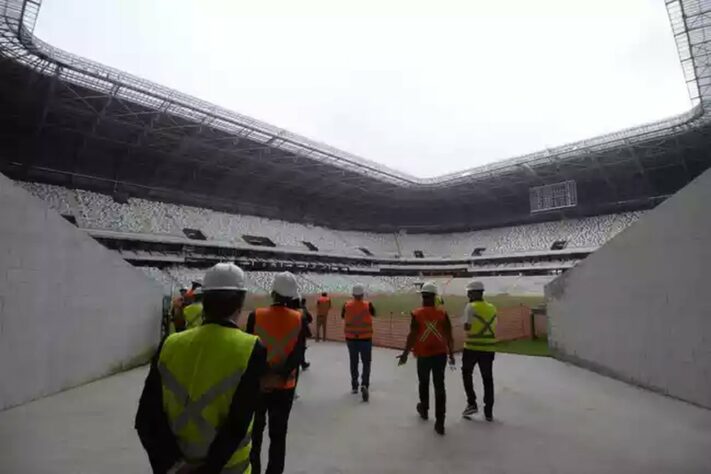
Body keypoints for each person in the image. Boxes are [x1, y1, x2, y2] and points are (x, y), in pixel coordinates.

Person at [135, 262, 267, 473]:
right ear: (240, 302)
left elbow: (146, 418)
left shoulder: (169, 344)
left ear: (205, 300)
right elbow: (238, 423)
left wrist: (173, 465)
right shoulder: (251, 348)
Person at [246, 272, 307, 474]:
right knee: (278, 436)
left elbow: (248, 349)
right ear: (291, 297)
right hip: (285, 386)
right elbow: (298, 355)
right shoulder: (299, 319)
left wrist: (265, 374)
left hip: (259, 386)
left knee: (255, 435)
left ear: (272, 292)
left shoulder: (256, 315)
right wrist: (280, 375)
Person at [397, 282, 455, 435]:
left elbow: (412, 336)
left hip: (423, 355)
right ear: (435, 296)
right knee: (439, 386)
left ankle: (424, 408)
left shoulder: (417, 314)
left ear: (422, 296)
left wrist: (404, 354)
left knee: (424, 382)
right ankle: (440, 421)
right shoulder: (443, 314)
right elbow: (449, 335)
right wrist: (451, 354)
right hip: (440, 354)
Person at [461, 280, 498, 422]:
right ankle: (488, 411)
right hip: (489, 348)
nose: (468, 294)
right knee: (487, 379)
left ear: (474, 293)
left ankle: (472, 403)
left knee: (466, 374)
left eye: (469, 292)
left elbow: (467, 328)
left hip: (471, 347)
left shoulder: (470, 307)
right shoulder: (492, 307)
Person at [341, 284, 376, 402]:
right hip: (365, 338)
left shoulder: (346, 305)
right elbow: (374, 313)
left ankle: (354, 386)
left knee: (353, 362)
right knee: (366, 363)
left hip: (351, 338)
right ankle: (365, 384)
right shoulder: (368, 305)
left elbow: (342, 316)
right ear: (362, 294)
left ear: (353, 294)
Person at [299, 297, 313, 370]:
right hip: (301, 332)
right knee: (301, 348)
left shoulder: (291, 308)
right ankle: (303, 363)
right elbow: (309, 318)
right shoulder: (303, 309)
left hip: (291, 332)